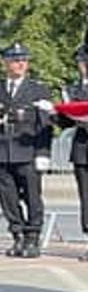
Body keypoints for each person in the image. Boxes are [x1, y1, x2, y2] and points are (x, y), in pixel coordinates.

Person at [0, 42, 55, 258]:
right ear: (5, 63)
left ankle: (32, 237)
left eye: (23, 60)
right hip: (3, 151)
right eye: (15, 60)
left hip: (28, 152)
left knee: (33, 197)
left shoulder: (38, 89)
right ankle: (17, 235)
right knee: (8, 199)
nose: (20, 64)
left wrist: (43, 153)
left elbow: (44, 125)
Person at [58, 44, 88, 262]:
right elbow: (65, 121)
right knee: (86, 199)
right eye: (82, 61)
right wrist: (54, 113)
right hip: (82, 149)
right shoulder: (73, 90)